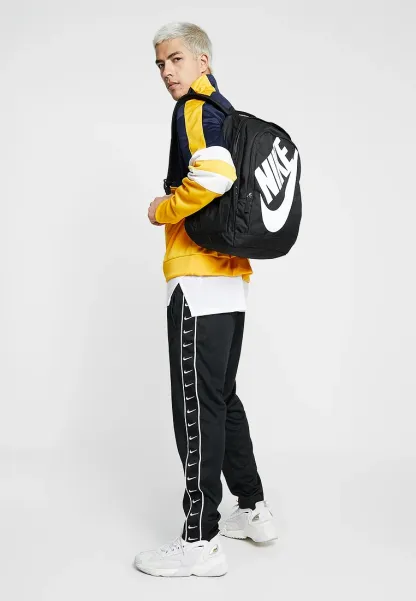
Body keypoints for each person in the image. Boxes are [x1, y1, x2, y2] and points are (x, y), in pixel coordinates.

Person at [134, 21, 278, 578]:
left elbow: (215, 174)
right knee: (221, 399)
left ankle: (199, 542)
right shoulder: (225, 111)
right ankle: (253, 510)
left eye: (175, 59)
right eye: (160, 64)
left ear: (202, 61)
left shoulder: (193, 108)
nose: (166, 72)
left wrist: (162, 210)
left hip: (196, 281)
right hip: (231, 279)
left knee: (196, 409)